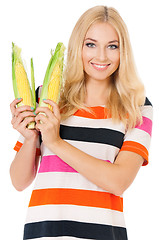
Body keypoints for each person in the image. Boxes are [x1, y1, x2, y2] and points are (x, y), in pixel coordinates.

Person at [10, 5, 153, 240]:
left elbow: (118, 182)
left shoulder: (137, 107)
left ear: (123, 51)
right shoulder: (46, 98)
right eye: (91, 44)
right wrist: (30, 137)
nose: (101, 56)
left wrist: (55, 142)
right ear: (78, 46)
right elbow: (18, 181)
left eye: (112, 46)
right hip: (44, 234)